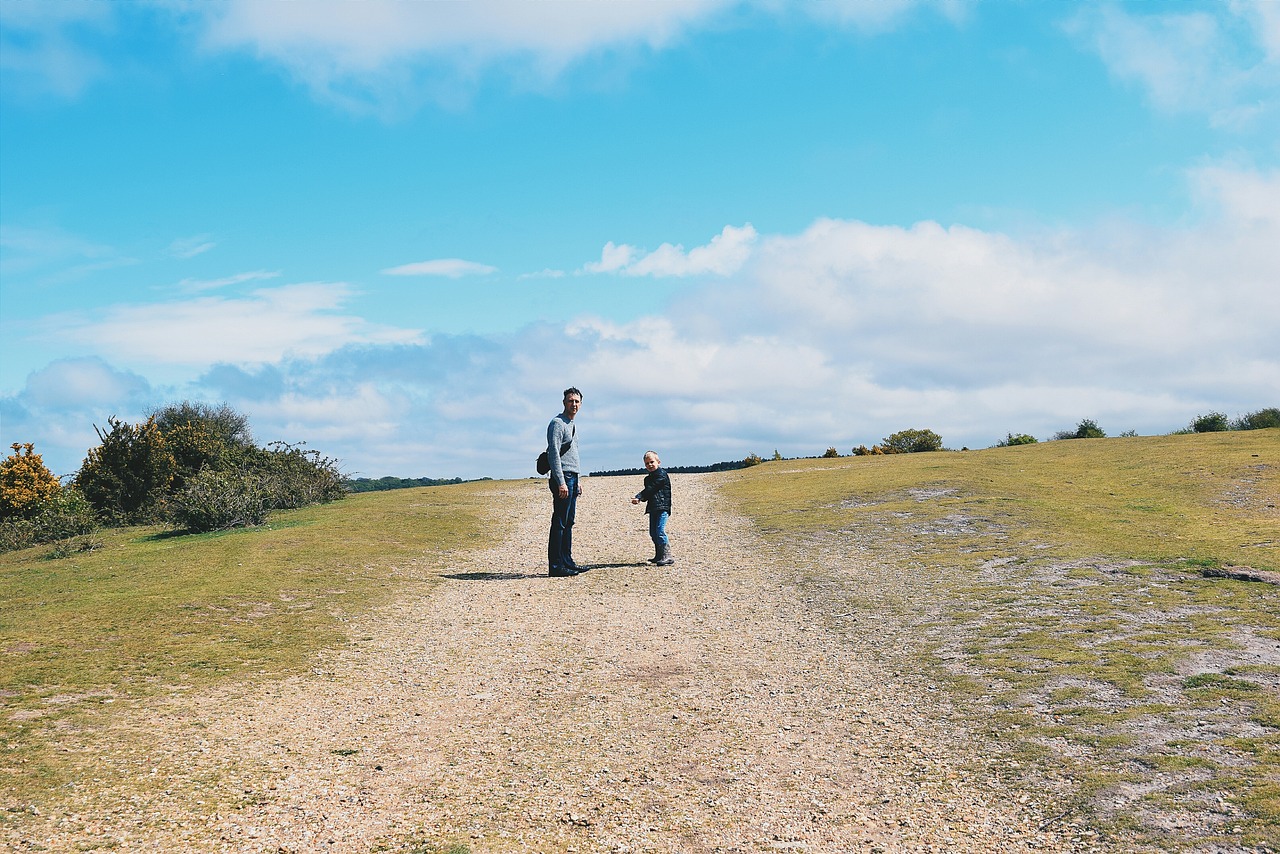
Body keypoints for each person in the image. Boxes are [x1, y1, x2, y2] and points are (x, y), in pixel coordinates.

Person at [546, 387, 583, 577]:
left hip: (572, 477)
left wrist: (578, 480)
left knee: (569, 522)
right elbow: (553, 454)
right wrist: (560, 481)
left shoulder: (572, 424)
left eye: (577, 401)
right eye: (571, 401)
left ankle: (567, 561)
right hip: (563, 478)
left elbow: (573, 454)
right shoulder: (557, 424)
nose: (574, 404)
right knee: (559, 522)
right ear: (564, 403)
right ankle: (556, 566)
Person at [631, 450, 674, 566]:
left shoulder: (662, 475)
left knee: (660, 531)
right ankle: (659, 555)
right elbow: (649, 493)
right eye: (647, 463)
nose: (649, 465)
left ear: (658, 462)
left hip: (663, 507)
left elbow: (653, 488)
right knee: (653, 532)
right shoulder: (647, 479)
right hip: (653, 507)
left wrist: (640, 496)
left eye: (652, 462)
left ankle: (667, 556)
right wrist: (641, 499)